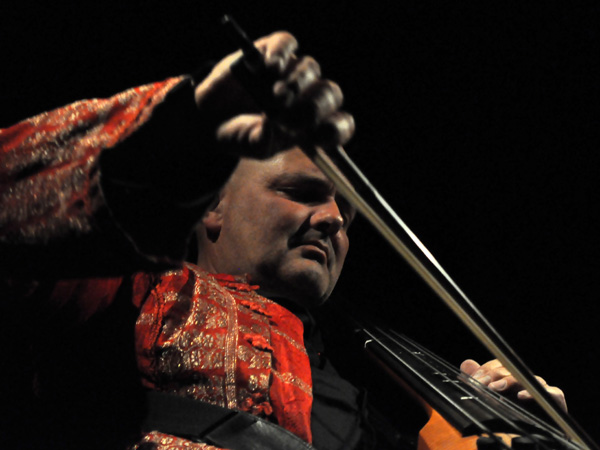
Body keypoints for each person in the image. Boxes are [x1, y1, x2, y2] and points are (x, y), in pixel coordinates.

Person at [0, 31, 565, 449]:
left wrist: (512, 427)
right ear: (213, 204)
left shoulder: (375, 402)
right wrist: (178, 136)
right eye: (301, 191)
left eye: (345, 210)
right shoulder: (136, 293)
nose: (334, 220)